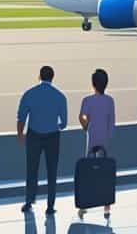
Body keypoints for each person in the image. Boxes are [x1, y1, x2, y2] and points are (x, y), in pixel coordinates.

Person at [17, 65, 68, 215]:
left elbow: (21, 117)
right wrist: (55, 125)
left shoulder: (29, 94)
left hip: (34, 136)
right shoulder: (60, 96)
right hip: (53, 136)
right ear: (53, 77)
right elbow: (63, 123)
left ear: (39, 76)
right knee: (52, 171)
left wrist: (20, 134)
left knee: (31, 169)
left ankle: (29, 201)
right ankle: (50, 206)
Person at [78, 68, 116, 219]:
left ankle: (84, 205)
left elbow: (82, 116)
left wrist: (86, 126)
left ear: (93, 84)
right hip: (105, 140)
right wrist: (109, 137)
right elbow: (112, 122)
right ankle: (106, 207)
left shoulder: (87, 100)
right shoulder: (109, 100)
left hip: (91, 138)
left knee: (88, 172)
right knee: (105, 173)